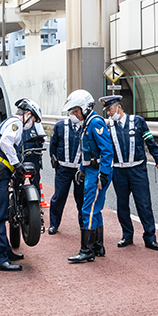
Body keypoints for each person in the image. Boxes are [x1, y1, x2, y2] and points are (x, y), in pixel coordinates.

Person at [0, 98, 42, 271]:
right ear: (28, 114)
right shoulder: (16, 123)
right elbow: (5, 142)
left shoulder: (9, 122)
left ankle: (6, 251)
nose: (33, 124)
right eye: (34, 120)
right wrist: (17, 164)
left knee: (0, 215)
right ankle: (0, 259)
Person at [100, 95, 158, 251]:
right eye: (107, 111)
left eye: (110, 109)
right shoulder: (108, 127)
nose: (108, 113)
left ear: (119, 107)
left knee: (144, 204)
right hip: (119, 171)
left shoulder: (137, 121)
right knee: (122, 205)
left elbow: (150, 142)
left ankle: (150, 238)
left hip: (137, 170)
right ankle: (127, 235)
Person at [63, 90, 113, 263]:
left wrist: (104, 174)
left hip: (97, 171)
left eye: (76, 111)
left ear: (85, 108)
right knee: (95, 209)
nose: (74, 115)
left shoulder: (95, 123)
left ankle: (86, 250)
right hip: (91, 170)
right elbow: (87, 151)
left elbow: (107, 150)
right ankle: (98, 246)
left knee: (88, 209)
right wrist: (80, 168)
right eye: (72, 112)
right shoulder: (87, 123)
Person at [47, 116, 84, 235]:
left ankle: (84, 224)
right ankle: (54, 224)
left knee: (82, 198)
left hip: (80, 169)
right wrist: (55, 161)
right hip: (63, 168)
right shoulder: (60, 126)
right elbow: (53, 145)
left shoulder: (86, 126)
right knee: (59, 196)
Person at [21, 121, 45, 193]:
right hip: (24, 156)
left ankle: (37, 199)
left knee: (35, 180)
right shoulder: (17, 123)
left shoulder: (36, 124)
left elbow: (44, 139)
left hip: (33, 155)